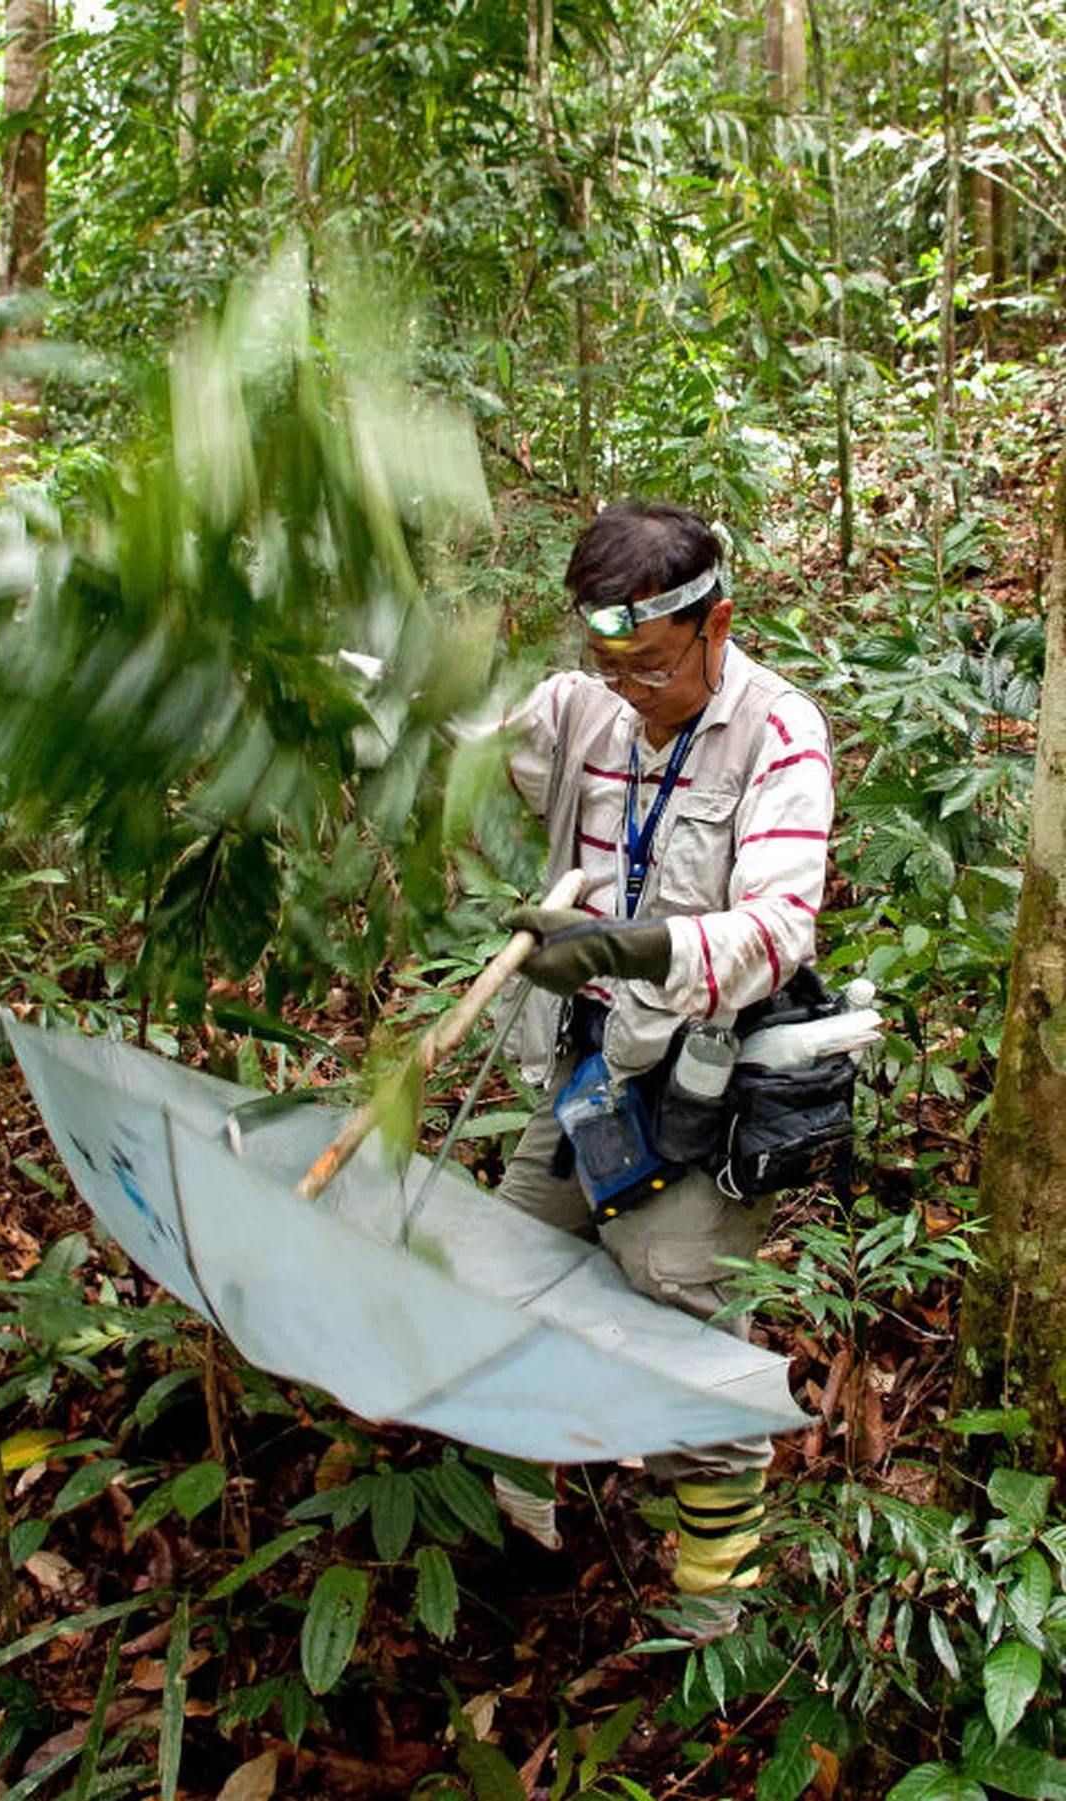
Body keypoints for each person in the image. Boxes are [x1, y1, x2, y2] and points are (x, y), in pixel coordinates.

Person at [491, 499, 834, 1628]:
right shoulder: (583, 703)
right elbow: (484, 753)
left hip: (700, 1080)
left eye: (646, 666)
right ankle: (523, 1520)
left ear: (717, 623)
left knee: (682, 1316)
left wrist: (636, 949)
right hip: (587, 1065)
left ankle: (714, 1607)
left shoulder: (780, 731)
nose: (622, 689)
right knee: (507, 1268)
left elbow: (779, 928)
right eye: (603, 662)